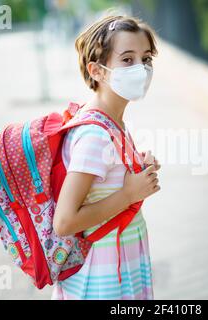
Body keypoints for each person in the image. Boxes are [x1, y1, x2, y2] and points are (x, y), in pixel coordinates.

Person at [51, 15, 161, 300]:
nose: (141, 68)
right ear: (97, 71)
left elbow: (104, 180)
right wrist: (128, 194)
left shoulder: (111, 121)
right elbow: (64, 221)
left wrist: (137, 166)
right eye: (127, 60)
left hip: (119, 264)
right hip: (101, 278)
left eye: (146, 59)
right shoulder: (94, 134)